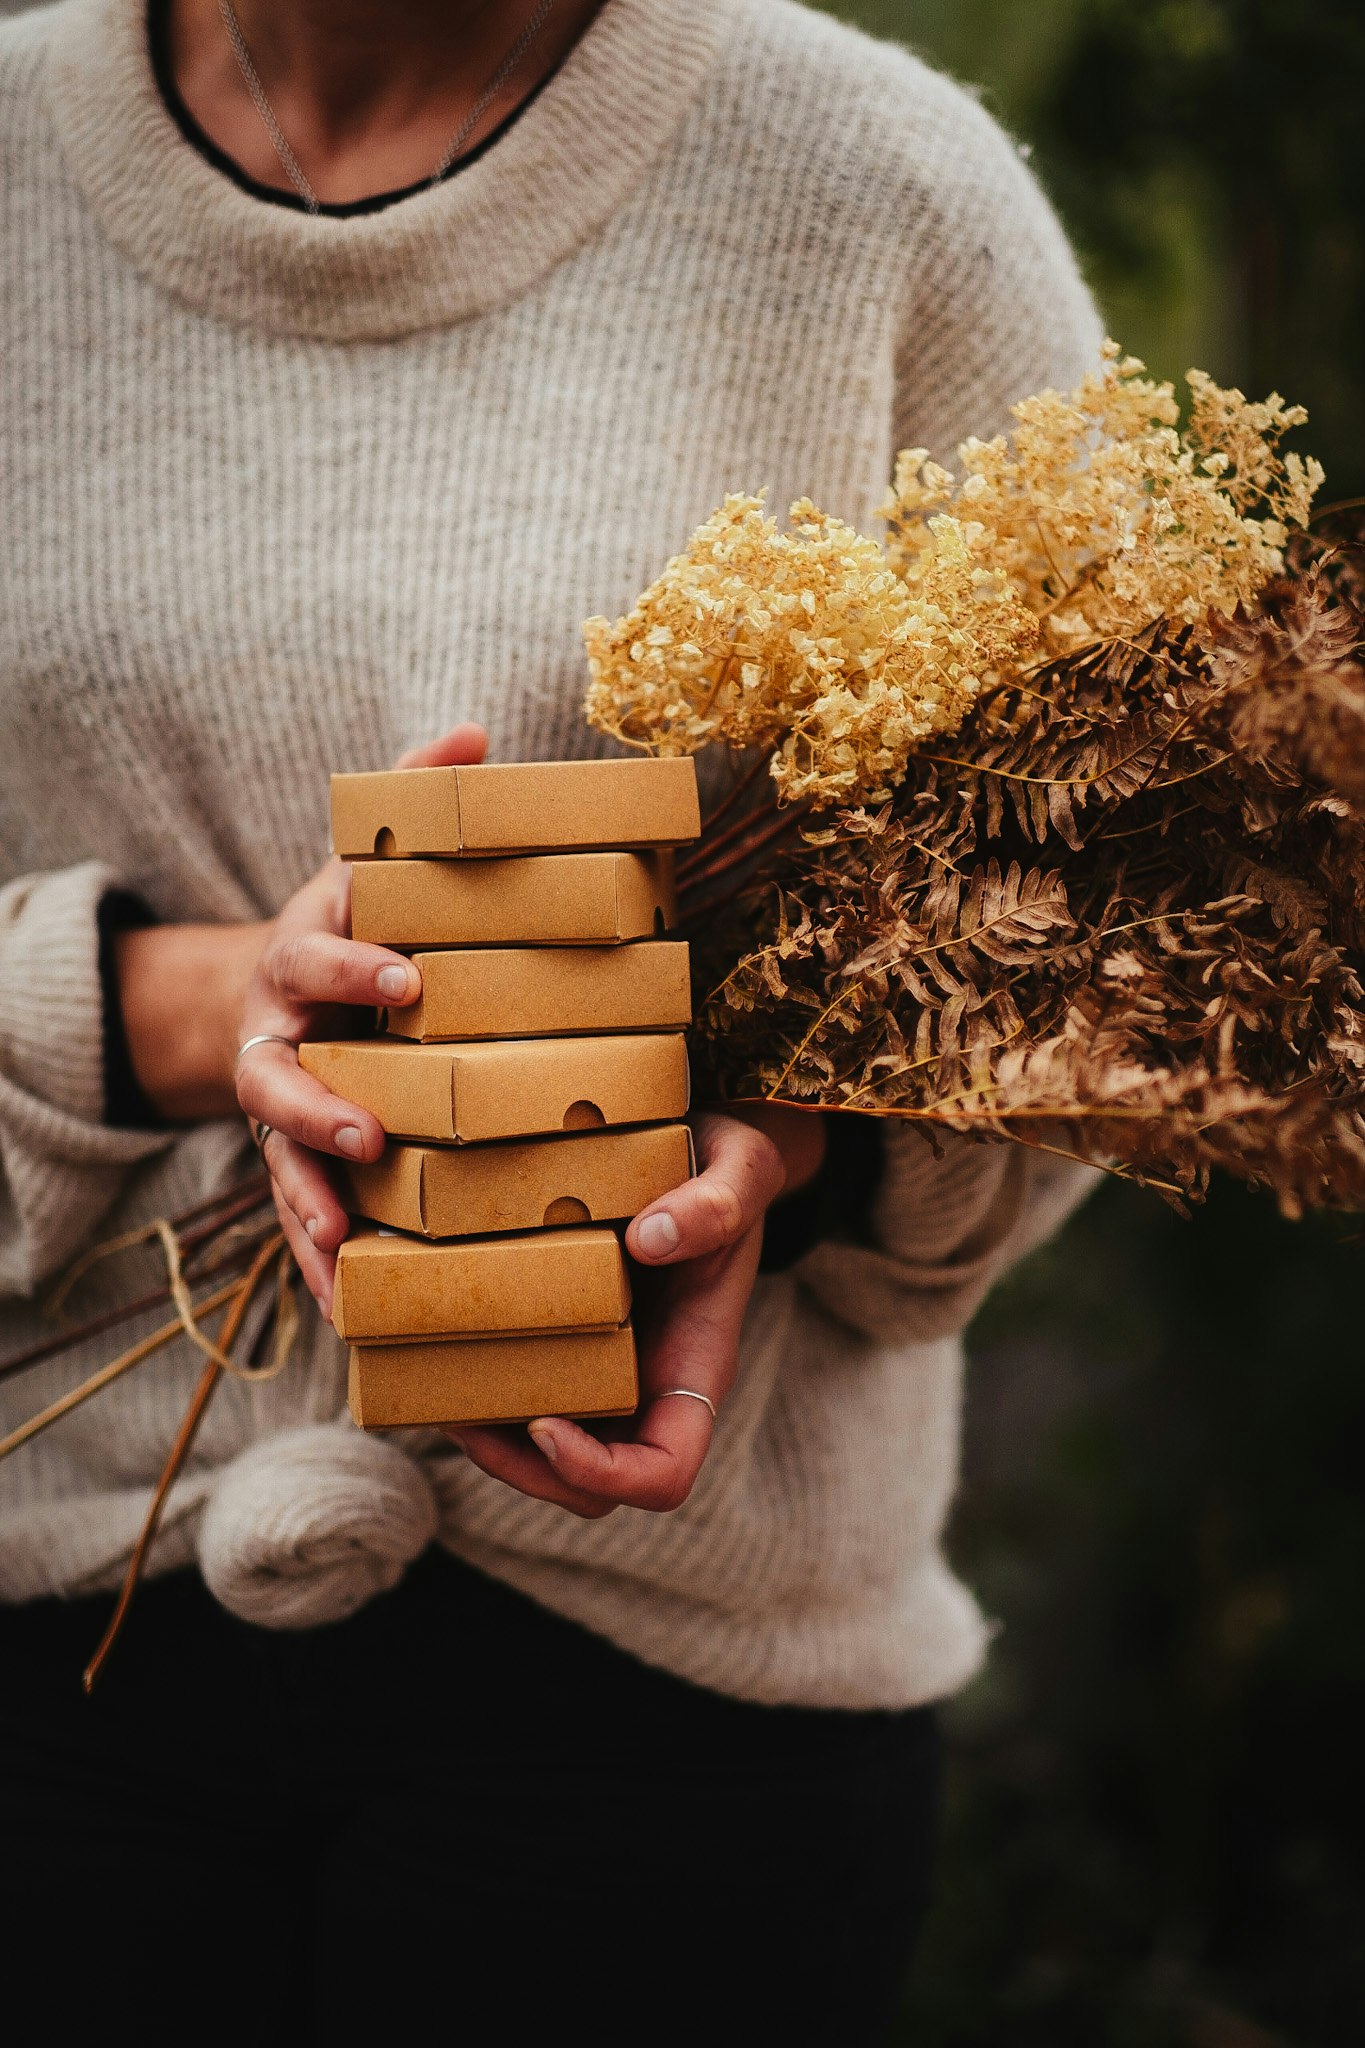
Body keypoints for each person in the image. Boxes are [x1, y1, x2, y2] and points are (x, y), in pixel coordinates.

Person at [0, 0, 1101, 2038]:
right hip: (43, 1634)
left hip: (673, 1705)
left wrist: (797, 1140)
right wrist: (171, 1001)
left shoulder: (874, 191)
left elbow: (1110, 930)